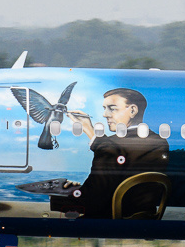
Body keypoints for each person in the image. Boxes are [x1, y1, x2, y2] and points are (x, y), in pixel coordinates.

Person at [52, 88, 171, 219]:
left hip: (110, 218)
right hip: (143, 216)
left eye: (112, 108)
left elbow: (95, 201)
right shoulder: (159, 141)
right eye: (104, 108)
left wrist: (59, 193)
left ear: (132, 110)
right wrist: (82, 187)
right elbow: (118, 183)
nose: (105, 114)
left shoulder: (112, 145)